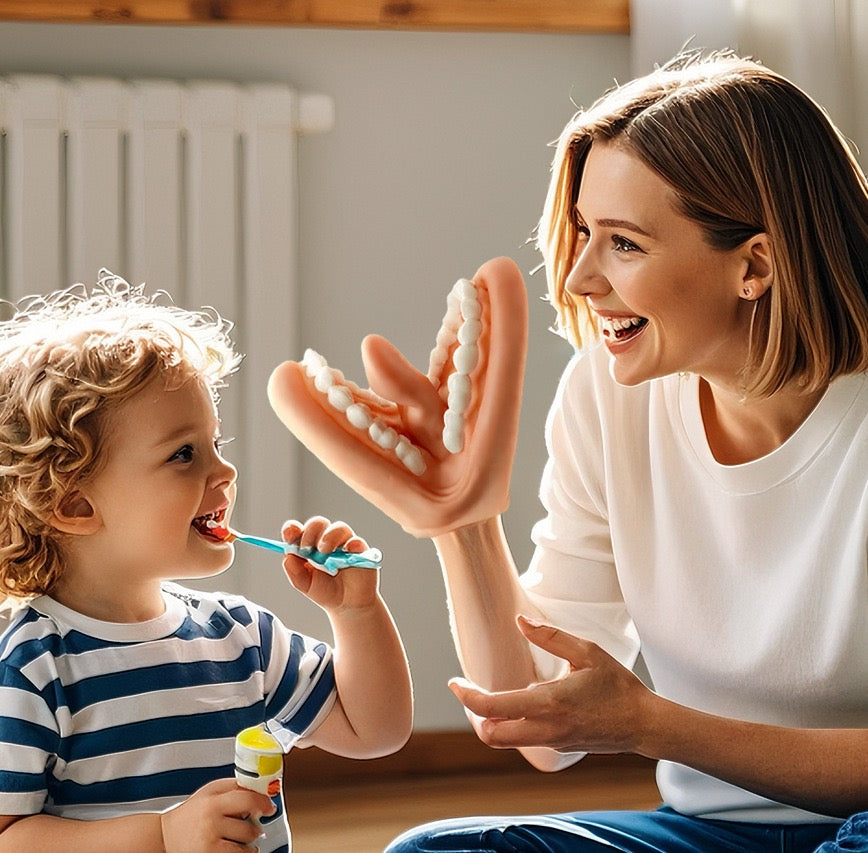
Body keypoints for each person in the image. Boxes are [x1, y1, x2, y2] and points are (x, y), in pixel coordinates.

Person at [266, 49, 867, 852]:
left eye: (623, 243)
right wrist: (464, 521)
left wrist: (653, 725)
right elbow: (544, 727)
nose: (580, 277)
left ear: (754, 264)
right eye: (583, 233)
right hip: (705, 834)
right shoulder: (605, 395)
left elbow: (633, 724)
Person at [0, 273, 412, 853]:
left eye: (218, 445)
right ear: (75, 504)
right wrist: (162, 835)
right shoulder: (32, 669)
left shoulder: (241, 637)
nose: (224, 472)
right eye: (184, 454)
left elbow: (376, 732)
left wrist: (358, 613)